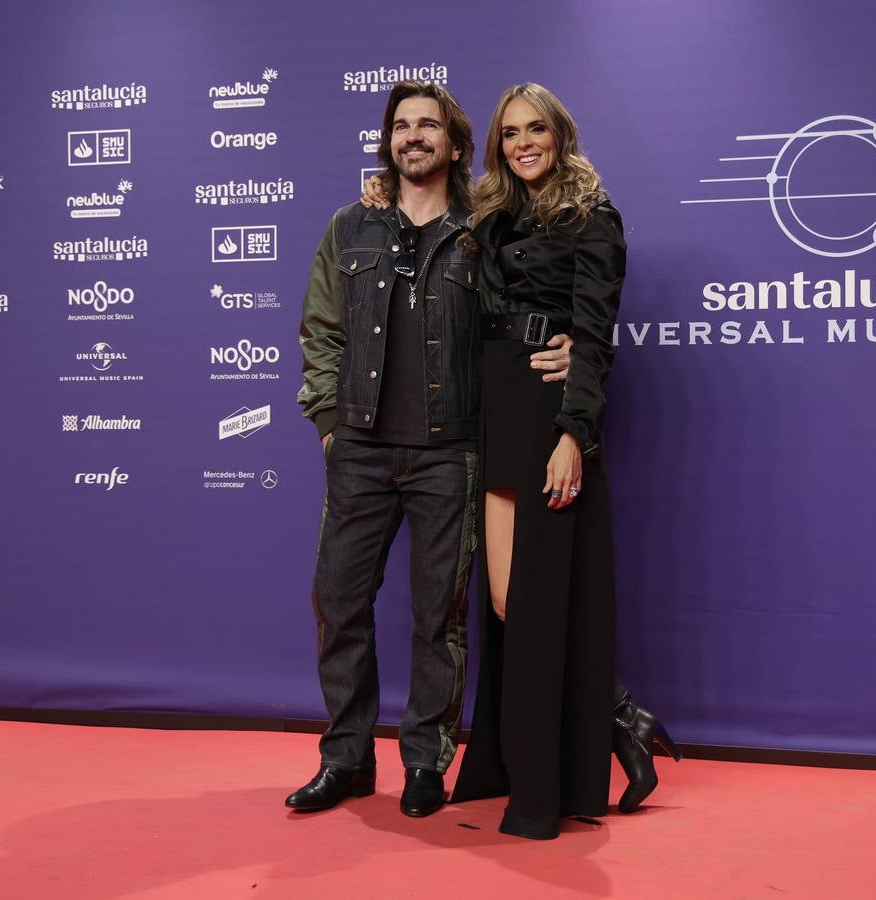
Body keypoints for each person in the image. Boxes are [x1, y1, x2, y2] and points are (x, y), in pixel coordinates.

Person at [290, 81, 574, 818]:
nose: (412, 136)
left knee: (437, 617)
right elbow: (321, 328)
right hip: (359, 448)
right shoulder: (350, 226)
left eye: (427, 125)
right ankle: (346, 759)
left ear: (453, 143)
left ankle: (425, 760)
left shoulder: (487, 227)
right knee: (338, 603)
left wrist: (569, 344)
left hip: (451, 451)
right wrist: (329, 422)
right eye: (400, 126)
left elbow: (533, 306)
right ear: (388, 141)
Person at [443, 83, 679, 840]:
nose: (523, 144)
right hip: (496, 407)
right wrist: (381, 191)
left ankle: (549, 781)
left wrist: (575, 433)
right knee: (506, 603)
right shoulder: (489, 213)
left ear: (560, 134)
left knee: (538, 603)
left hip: (550, 415)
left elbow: (595, 333)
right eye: (510, 133)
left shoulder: (592, 215)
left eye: (535, 129)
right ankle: (617, 717)